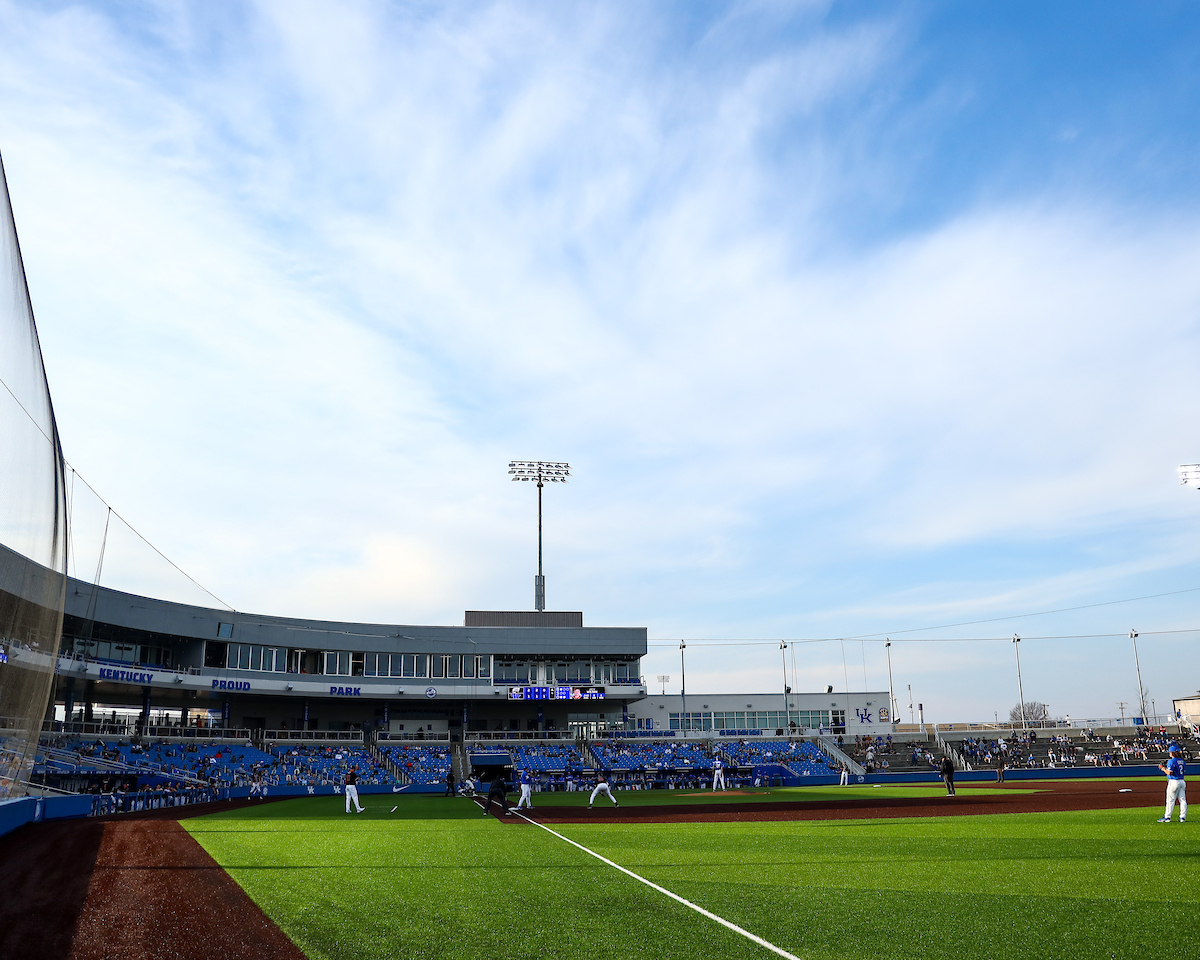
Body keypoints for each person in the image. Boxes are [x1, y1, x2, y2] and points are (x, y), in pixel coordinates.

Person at [1158, 743, 1187, 823]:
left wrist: (1163, 768)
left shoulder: (1171, 761)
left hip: (1174, 781)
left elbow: (1169, 772)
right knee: (1183, 800)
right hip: (1182, 781)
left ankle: (1167, 817)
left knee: (1170, 800)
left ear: (1172, 752)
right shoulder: (1182, 761)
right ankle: (1182, 817)